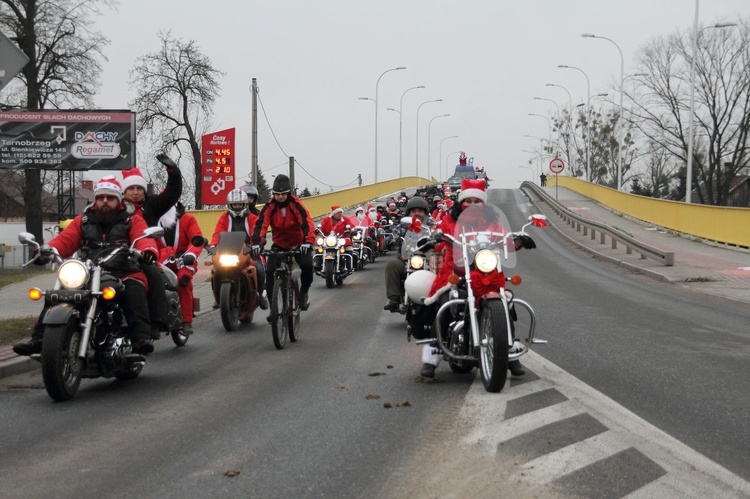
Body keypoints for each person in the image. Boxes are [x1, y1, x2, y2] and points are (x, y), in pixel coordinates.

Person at [13, 177, 158, 356]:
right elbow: (64, 240)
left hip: (123, 270)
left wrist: (147, 250)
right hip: (88, 272)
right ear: (95, 199)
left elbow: (142, 238)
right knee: (56, 294)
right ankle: (40, 340)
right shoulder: (83, 221)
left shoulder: (131, 220)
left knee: (134, 290)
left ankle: (140, 339)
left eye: (110, 197)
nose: (105, 201)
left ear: (119, 200)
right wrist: (47, 251)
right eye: (101, 197)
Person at [418, 178, 534, 379]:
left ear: (483, 203)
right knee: (447, 300)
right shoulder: (450, 220)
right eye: (468, 201)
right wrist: (433, 238)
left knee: (506, 302)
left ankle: (511, 352)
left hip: (485, 270)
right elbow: (439, 237)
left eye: (477, 201)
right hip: (456, 270)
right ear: (460, 202)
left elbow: (504, 240)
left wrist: (517, 241)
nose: (472, 205)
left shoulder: (492, 221)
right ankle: (432, 353)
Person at [122, 154, 183, 338]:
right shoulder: (116, 207)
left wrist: (174, 173)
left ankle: (156, 322)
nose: (135, 192)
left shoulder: (152, 205)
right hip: (117, 254)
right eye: (130, 188)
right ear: (123, 192)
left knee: (154, 275)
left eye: (138, 188)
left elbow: (172, 194)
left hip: (146, 254)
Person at [251, 174, 316, 312]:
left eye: (283, 194)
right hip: (279, 244)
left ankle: (304, 292)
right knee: (269, 271)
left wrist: (308, 242)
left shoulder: (296, 204)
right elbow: (261, 224)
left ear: (288, 193)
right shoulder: (270, 206)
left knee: (307, 265)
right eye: (277, 194)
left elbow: (307, 223)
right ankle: (273, 308)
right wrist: (256, 243)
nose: (280, 197)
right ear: (273, 194)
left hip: (299, 243)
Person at [210, 187, 268, 309]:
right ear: (229, 205)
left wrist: (256, 245)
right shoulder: (224, 217)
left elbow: (258, 233)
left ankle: (260, 294)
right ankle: (218, 296)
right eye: (234, 204)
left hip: (249, 251)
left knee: (260, 269)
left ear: (245, 204)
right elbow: (217, 233)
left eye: (239, 204)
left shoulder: (252, 218)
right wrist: (213, 245)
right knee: (215, 270)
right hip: (229, 252)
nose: (237, 207)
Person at [156, 200, 203, 335]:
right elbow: (149, 241)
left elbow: (196, 238)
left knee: (184, 280)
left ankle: (187, 321)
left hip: (184, 260)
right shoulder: (154, 221)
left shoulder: (188, 219)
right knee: (153, 283)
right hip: (161, 261)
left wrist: (191, 255)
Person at [383, 196, 432, 312]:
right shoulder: (403, 225)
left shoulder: (431, 224)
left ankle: (439, 298)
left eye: (420, 211)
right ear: (409, 213)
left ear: (425, 212)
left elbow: (441, 231)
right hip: (406, 259)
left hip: (429, 260)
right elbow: (395, 232)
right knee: (392, 265)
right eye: (413, 211)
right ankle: (394, 299)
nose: (417, 213)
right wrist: (391, 238)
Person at [320, 205, 354, 272]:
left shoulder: (345, 219)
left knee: (348, 244)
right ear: (333, 213)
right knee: (319, 245)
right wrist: (318, 230)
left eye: (341, 212)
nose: (340, 214)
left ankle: (349, 265)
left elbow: (351, 226)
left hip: (341, 238)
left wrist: (352, 230)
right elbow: (321, 227)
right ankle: (318, 263)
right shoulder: (327, 219)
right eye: (338, 212)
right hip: (328, 239)